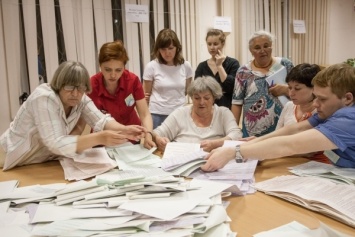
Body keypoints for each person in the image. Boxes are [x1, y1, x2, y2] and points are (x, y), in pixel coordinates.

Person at [201, 63, 355, 171]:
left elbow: (290, 144)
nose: (315, 104)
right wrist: (257, 141)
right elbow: (295, 128)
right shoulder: (334, 109)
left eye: (322, 99)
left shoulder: (348, 119)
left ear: (348, 98)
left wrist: (233, 153)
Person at [0, 61, 146, 170]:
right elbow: (55, 142)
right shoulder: (44, 98)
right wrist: (99, 137)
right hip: (10, 156)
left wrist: (125, 129)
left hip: (39, 160)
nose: (75, 94)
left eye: (81, 88)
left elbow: (101, 120)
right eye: (69, 87)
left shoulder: (80, 98)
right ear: (58, 84)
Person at [88, 41, 155, 149]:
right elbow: (82, 119)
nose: (113, 75)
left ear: (124, 67)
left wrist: (148, 135)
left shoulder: (132, 81)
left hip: (131, 138)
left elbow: (145, 114)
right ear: (100, 66)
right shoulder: (92, 85)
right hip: (103, 140)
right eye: (108, 69)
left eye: (118, 70)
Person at [152, 76, 242, 152]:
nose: (201, 102)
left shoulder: (223, 113)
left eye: (206, 98)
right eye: (197, 98)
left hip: (214, 163)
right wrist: (158, 139)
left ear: (214, 98)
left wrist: (216, 143)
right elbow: (157, 133)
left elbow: (236, 135)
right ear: (191, 98)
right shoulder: (180, 113)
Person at [232, 30, 294, 137]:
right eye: (257, 47)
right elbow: (237, 103)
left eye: (266, 46)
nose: (262, 50)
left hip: (283, 130)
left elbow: (301, 91)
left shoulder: (285, 64)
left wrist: (285, 89)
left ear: (272, 47)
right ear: (251, 51)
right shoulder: (243, 72)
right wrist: (233, 130)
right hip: (252, 133)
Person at [276, 63, 330, 163]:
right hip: (286, 163)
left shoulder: (322, 112)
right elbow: (276, 136)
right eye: (289, 87)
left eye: (297, 88)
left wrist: (280, 149)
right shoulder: (289, 106)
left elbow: (310, 151)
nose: (291, 93)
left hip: (316, 166)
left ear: (314, 88)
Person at [143, 28, 193, 129]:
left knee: (179, 143)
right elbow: (145, 95)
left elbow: (187, 91)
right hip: (157, 114)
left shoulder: (186, 66)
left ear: (177, 48)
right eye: (163, 49)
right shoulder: (151, 66)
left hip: (180, 112)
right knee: (157, 144)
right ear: (158, 49)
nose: (167, 53)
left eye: (170, 48)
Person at [195, 29, 240, 109]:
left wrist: (219, 66)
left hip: (226, 109)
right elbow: (197, 90)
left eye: (215, 44)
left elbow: (230, 88)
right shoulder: (201, 66)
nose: (212, 47)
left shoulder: (233, 63)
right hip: (206, 109)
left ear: (222, 44)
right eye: (209, 44)